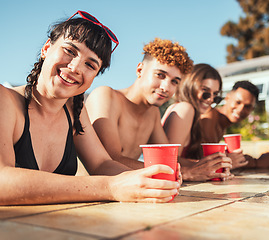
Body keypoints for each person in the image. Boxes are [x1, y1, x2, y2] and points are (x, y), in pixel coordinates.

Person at [0, 11, 180, 206]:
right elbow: (2, 180)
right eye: (69, 51)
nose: (75, 67)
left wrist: (151, 179)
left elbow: (101, 164)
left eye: (90, 64)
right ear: (46, 48)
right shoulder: (6, 100)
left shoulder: (74, 109)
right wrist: (110, 187)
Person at [86, 38, 193, 170]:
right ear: (140, 70)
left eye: (174, 82)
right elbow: (110, 160)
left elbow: (169, 158)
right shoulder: (106, 96)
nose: (166, 87)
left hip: (127, 189)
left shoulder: (152, 112)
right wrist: (183, 172)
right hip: (86, 189)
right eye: (160, 75)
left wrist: (204, 165)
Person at [161, 64, 233, 181]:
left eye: (215, 95)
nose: (210, 99)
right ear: (190, 86)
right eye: (205, 91)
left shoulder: (190, 112)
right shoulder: (185, 109)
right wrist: (210, 164)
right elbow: (170, 160)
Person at [200, 80, 269, 169]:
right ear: (227, 98)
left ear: (252, 110)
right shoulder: (210, 116)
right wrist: (256, 163)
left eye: (247, 106)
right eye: (238, 102)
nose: (240, 110)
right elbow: (206, 161)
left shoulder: (220, 124)